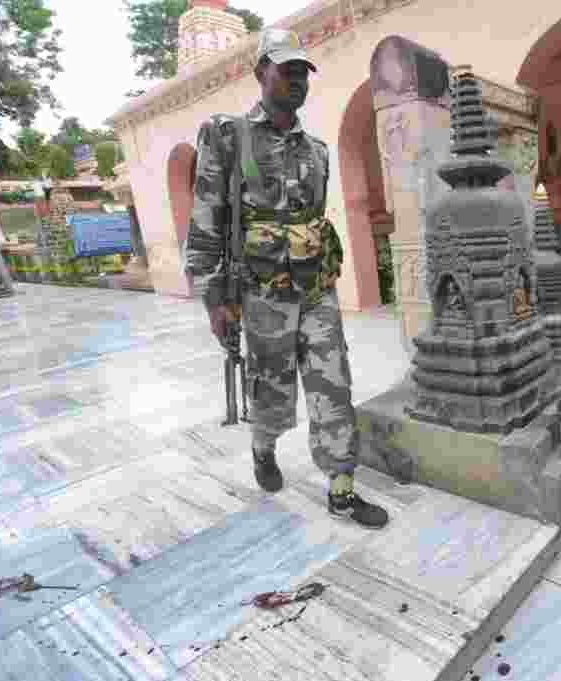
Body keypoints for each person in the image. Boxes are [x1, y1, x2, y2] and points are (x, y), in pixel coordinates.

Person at [183, 28, 388, 529]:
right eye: (286, 70)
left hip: (316, 289)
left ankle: (341, 487)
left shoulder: (317, 152)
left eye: (302, 72)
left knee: (333, 385)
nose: (297, 80)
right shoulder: (227, 135)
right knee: (271, 390)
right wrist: (213, 299)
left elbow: (313, 220)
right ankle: (263, 447)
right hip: (260, 293)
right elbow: (207, 216)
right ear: (261, 73)